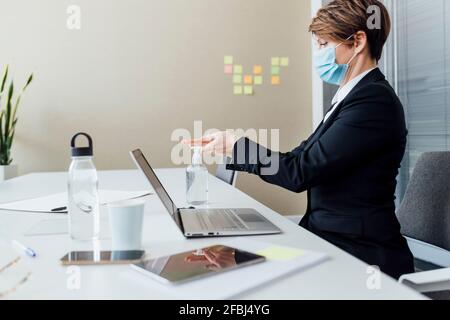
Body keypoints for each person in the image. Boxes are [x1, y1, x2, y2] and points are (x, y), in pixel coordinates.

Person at [184, 0, 414, 279]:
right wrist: (241, 256)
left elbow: (300, 172)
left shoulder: (374, 102)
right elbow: (298, 158)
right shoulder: (349, 99)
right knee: (238, 258)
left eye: (323, 45)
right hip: (325, 241)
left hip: (360, 257)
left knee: (243, 277)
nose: (318, 54)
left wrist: (236, 146)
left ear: (358, 41)